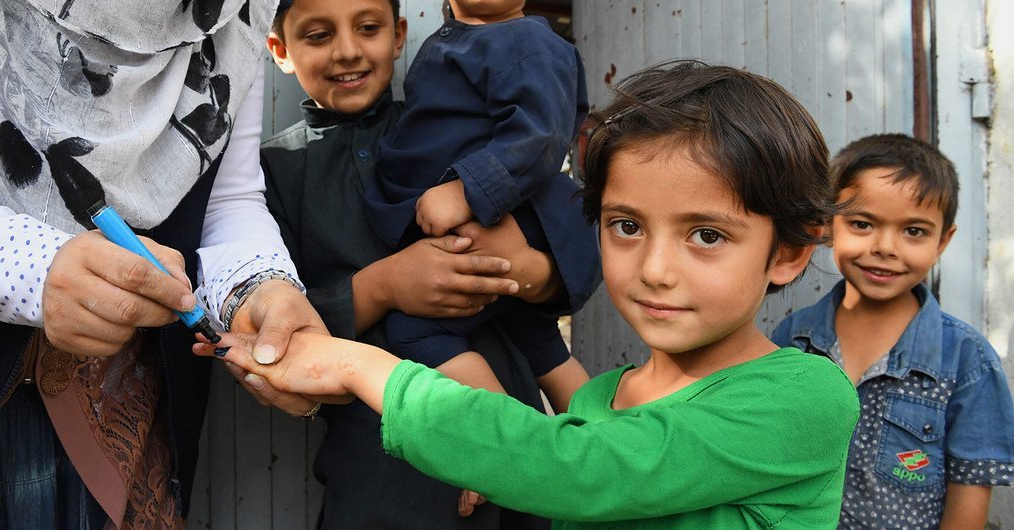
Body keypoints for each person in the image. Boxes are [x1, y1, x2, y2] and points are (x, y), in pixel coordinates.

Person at [204, 61, 862, 528]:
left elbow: (580, 469)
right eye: (627, 227)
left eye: (707, 235)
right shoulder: (603, 398)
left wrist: (358, 363)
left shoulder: (803, 395)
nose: (657, 269)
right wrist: (490, 461)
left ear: (788, 253)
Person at [0, 0, 328, 527]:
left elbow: (226, 201)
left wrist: (262, 286)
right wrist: (33, 271)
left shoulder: (237, 10)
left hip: (130, 421)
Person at [258, 0, 591, 526]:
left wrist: (530, 272)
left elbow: (556, 230)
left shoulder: (454, 127)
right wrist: (385, 287)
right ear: (279, 50)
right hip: (379, 467)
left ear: (398, 37)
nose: (347, 50)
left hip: (519, 451)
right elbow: (275, 324)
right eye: (319, 35)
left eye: (368, 28)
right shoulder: (272, 174)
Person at [772, 134, 1014, 529]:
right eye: (862, 223)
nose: (885, 247)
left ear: (943, 241)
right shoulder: (793, 340)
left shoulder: (967, 360)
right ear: (829, 226)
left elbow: (968, 501)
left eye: (914, 231)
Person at [362, 0, 600, 394]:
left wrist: (467, 190)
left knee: (415, 331)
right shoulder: (459, 38)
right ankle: (603, 441)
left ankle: (510, 441)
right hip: (495, 215)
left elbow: (541, 135)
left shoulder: (528, 42)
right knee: (535, 335)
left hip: (511, 215)